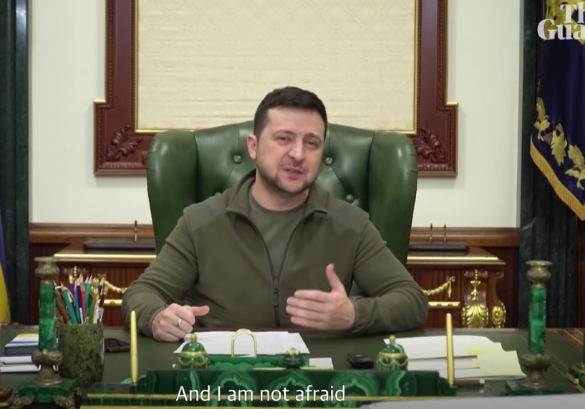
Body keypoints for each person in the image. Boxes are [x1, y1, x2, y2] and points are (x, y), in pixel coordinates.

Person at [123, 86, 428, 342]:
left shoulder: (350, 224)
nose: (298, 154)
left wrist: (354, 315)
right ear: (253, 147)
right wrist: (157, 318)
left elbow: (412, 301)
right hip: (222, 376)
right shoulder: (201, 221)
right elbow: (142, 294)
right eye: (284, 138)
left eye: (312, 143)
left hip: (319, 378)